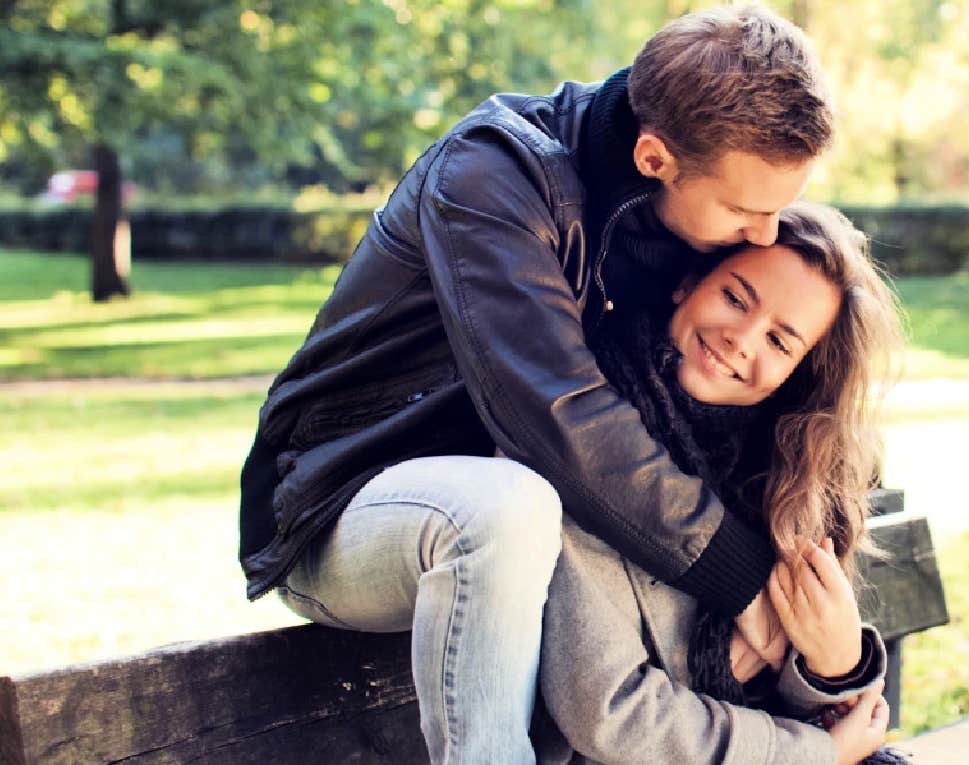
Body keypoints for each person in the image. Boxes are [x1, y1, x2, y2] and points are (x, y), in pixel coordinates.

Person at [237, 5, 834, 763]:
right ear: (653, 157)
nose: (765, 234)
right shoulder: (490, 177)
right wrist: (747, 583)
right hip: (340, 508)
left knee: (520, 510)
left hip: (524, 551)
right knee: (505, 506)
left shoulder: (669, 223)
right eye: (749, 210)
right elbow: (560, 420)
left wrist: (822, 636)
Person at [532, 202, 908, 765]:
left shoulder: (784, 474)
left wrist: (833, 666)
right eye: (735, 298)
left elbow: (815, 700)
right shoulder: (584, 433)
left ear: (796, 373)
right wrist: (813, 753)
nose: (742, 339)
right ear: (688, 284)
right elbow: (611, 712)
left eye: (780, 342)